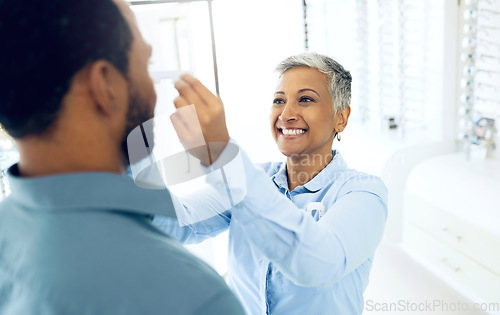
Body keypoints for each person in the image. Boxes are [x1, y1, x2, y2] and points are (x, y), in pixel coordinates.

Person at [0, 0, 245, 314]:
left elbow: (182, 216)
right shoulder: (193, 297)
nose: (155, 91)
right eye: (146, 65)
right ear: (105, 86)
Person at [155, 53, 388, 314]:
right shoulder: (255, 178)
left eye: (306, 99)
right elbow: (174, 223)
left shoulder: (363, 192)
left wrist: (223, 156)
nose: (286, 114)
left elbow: (318, 263)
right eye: (279, 101)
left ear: (341, 118)